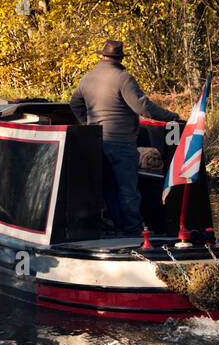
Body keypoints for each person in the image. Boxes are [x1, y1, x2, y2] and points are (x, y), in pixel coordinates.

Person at [69, 40, 180, 237]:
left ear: (102, 56)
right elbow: (143, 107)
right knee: (128, 189)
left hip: (96, 142)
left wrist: (88, 124)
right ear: (120, 58)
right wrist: (171, 116)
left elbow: (75, 103)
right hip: (121, 142)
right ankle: (133, 231)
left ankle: (115, 226)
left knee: (108, 188)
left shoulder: (87, 78)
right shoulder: (123, 78)